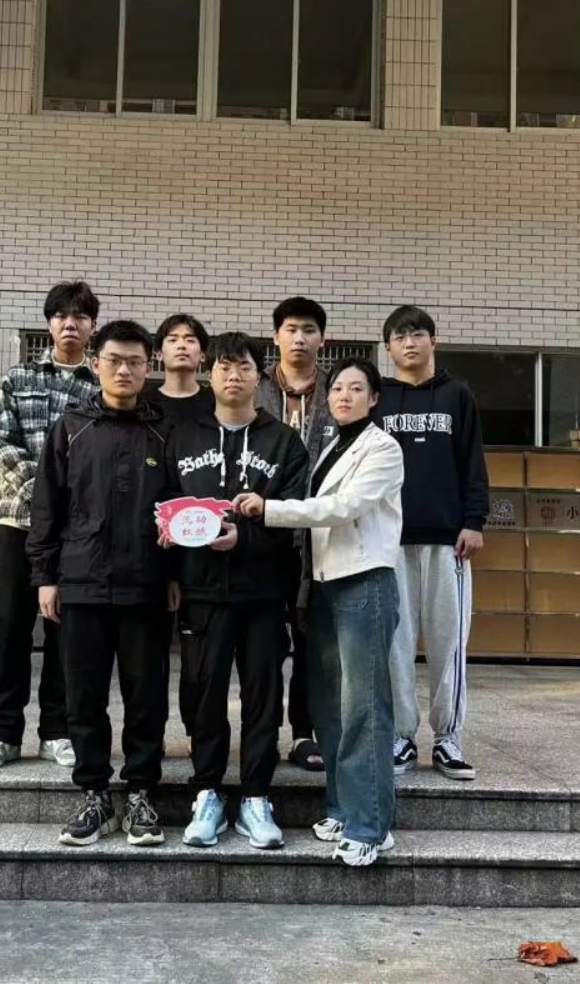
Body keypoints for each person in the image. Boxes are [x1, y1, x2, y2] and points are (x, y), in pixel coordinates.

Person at [234, 358, 404, 868]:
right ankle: (341, 807)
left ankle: (370, 827)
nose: (345, 396)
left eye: (357, 388)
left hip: (365, 583)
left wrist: (269, 509)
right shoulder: (332, 446)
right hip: (327, 586)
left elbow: (343, 508)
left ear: (374, 399)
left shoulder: (383, 448)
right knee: (330, 706)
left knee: (364, 707)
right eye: (338, 389)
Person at [28, 319, 178, 848]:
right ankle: (94, 793)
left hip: (146, 586)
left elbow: (178, 508)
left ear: (148, 368)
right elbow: (46, 505)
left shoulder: (164, 430)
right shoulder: (71, 427)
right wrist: (46, 577)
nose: (124, 370)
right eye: (114, 360)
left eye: (135, 362)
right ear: (97, 365)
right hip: (81, 582)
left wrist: (174, 575)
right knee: (84, 696)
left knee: (147, 696)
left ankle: (140, 793)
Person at [164, 332, 310, 849]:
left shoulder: (284, 442)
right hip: (202, 591)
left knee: (263, 699)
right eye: (224, 367)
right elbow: (164, 504)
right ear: (210, 374)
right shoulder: (183, 436)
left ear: (258, 375)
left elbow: (295, 514)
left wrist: (244, 538)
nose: (233, 376)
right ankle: (206, 792)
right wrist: (172, 569)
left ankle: (255, 796)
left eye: (244, 367)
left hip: (264, 592)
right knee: (204, 695)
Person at [0, 281, 99, 771]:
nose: (70, 324)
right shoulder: (17, 378)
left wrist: (68, 504)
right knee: (11, 624)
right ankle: (2, 733)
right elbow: (2, 445)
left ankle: (57, 731)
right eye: (62, 315)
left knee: (65, 629)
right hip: (20, 520)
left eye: (80, 316)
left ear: (92, 326)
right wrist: (48, 494)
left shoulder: (99, 388)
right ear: (49, 323)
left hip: (76, 530)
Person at [376, 306, 488, 781]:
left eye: (418, 334)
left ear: (433, 341)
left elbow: (473, 460)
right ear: (388, 348)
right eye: (400, 337)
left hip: (448, 543)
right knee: (395, 645)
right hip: (390, 542)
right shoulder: (379, 397)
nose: (410, 343)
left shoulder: (457, 395)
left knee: (449, 645)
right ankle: (401, 737)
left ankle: (448, 739)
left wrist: (474, 520)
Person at [256, 296, 335, 774]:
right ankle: (262, 732)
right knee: (264, 641)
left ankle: (305, 732)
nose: (299, 338)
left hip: (319, 536)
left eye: (308, 330)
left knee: (312, 641)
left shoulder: (336, 390)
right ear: (276, 337)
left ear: (322, 339)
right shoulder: (256, 386)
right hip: (263, 534)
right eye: (290, 329)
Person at [145, 314, 215, 423]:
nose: (181, 345)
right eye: (173, 340)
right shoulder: (144, 404)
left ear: (202, 355)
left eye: (190, 340)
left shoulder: (217, 403)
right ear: (159, 354)